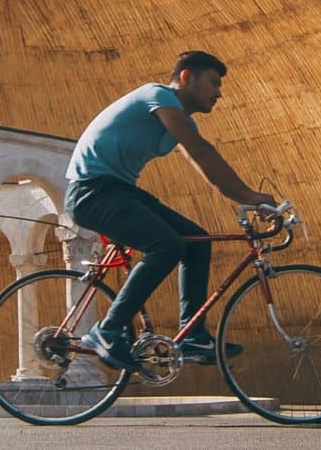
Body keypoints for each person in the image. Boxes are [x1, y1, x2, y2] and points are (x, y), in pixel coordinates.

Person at [65, 50, 274, 370]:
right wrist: (252, 196)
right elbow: (202, 152)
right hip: (91, 192)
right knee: (167, 245)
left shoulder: (181, 120)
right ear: (187, 77)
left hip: (119, 190)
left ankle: (192, 333)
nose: (220, 92)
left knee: (197, 240)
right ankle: (107, 329)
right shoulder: (157, 95)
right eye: (214, 82)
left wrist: (246, 199)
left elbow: (207, 168)